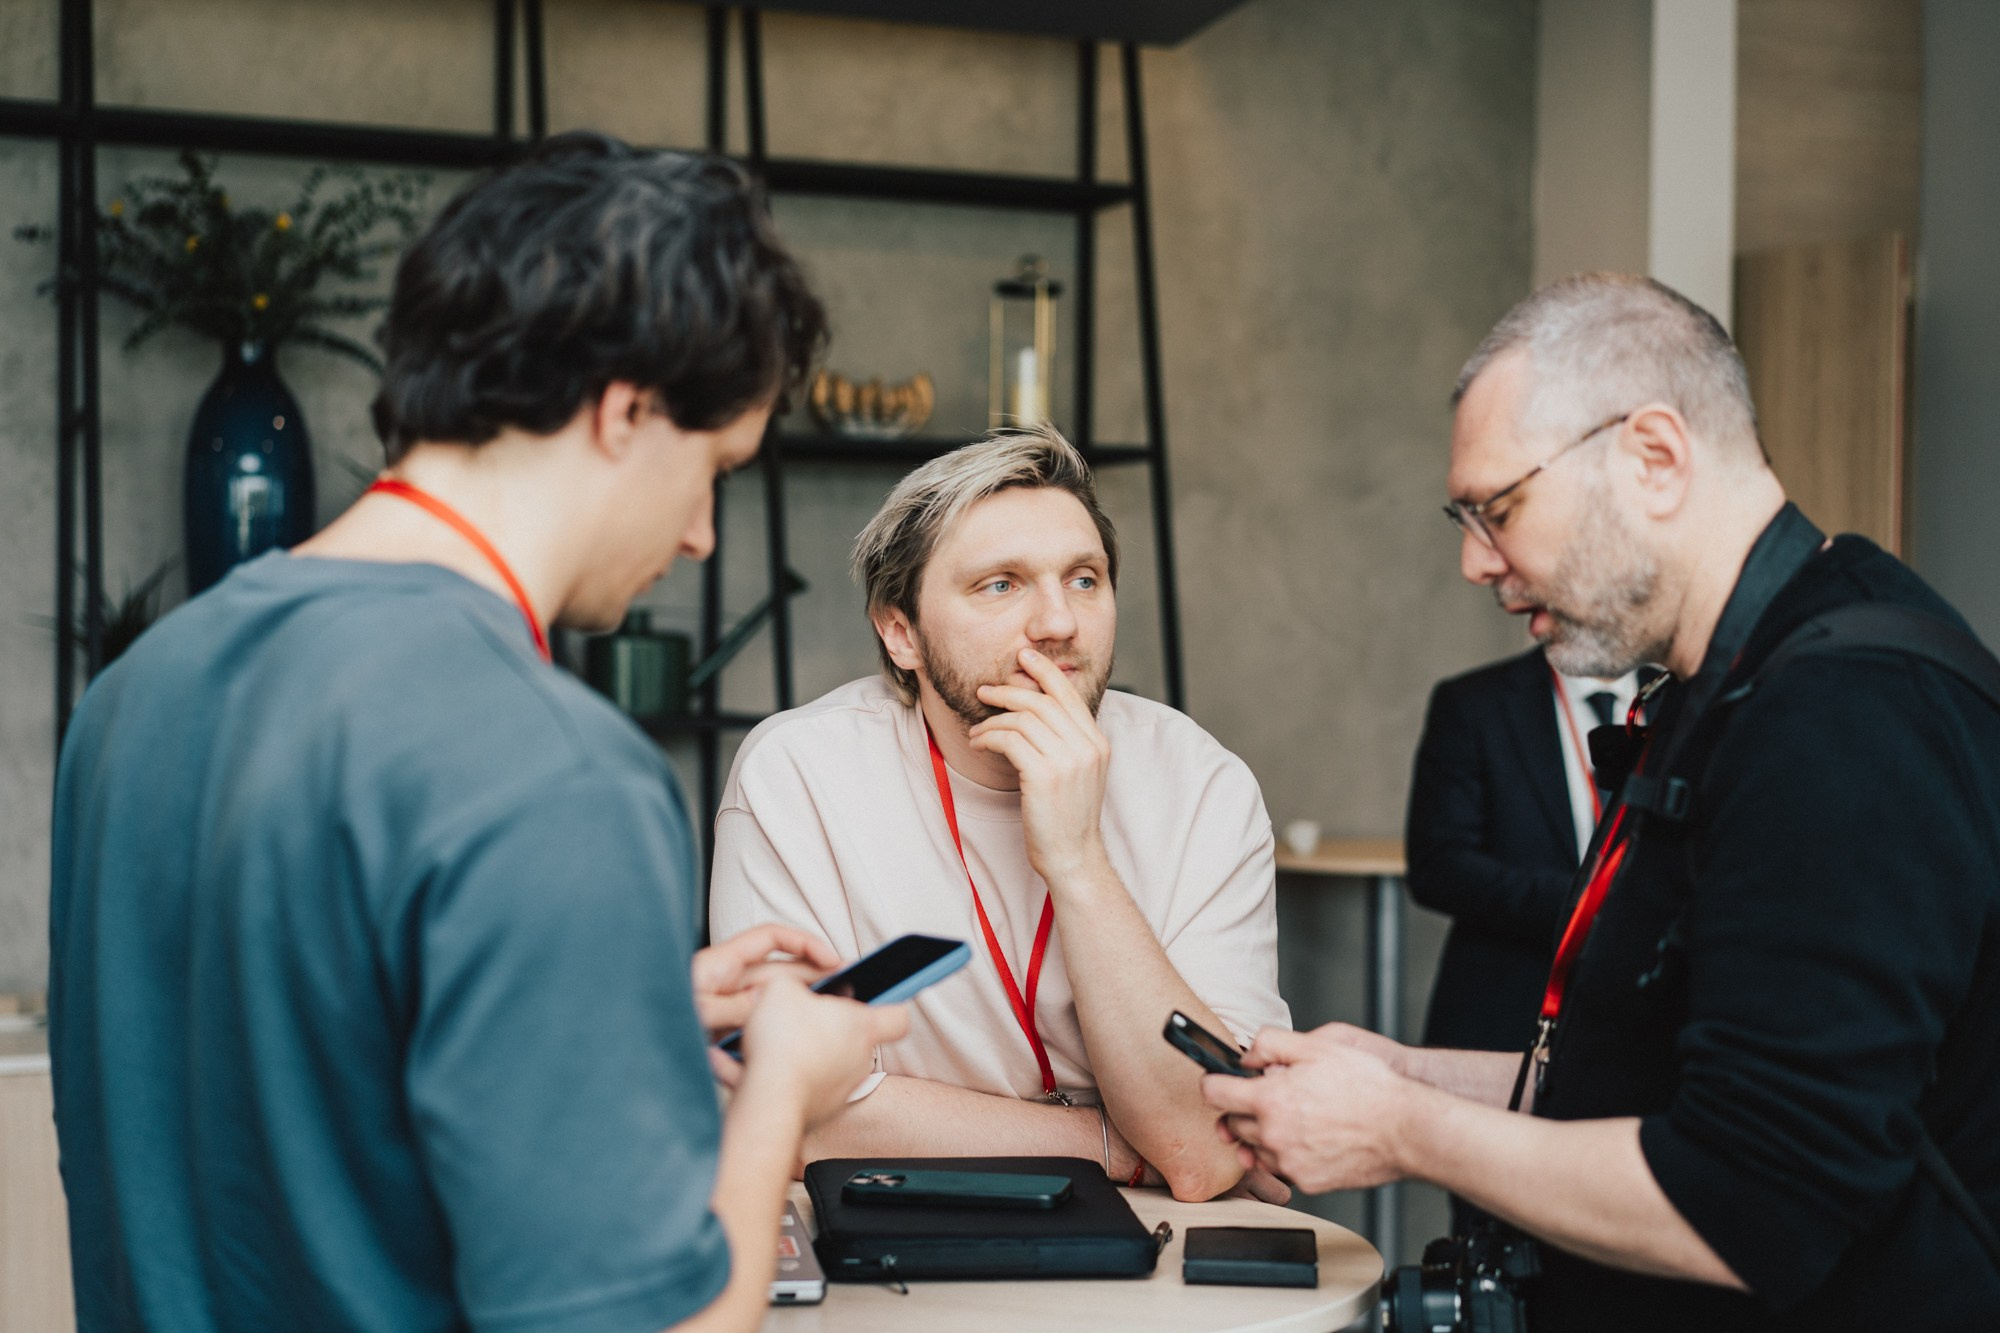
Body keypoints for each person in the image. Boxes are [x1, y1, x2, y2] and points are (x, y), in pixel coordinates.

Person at [49, 133, 905, 1333]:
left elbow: (272, 1079)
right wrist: (784, 1088)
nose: (702, 532)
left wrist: (620, 1007)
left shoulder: (135, 692)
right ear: (627, 411)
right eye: (714, 466)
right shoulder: (551, 770)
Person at [1203, 273, 2000, 1328]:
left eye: (1498, 509)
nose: (1473, 561)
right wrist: (1404, 1073)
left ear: (1653, 458)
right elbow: (1648, 1089)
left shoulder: (1842, 711)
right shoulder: (1730, 682)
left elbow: (1747, 1200)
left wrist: (1399, 1129)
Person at [708, 425, 1290, 1202]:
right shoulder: (798, 774)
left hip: (1165, 1259)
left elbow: (1209, 1147)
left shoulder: (1203, 784)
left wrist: (1079, 862)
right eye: (1001, 584)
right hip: (902, 1236)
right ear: (900, 631)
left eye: (1085, 578)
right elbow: (793, 1111)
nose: (1058, 622)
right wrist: (1112, 1141)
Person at [1407, 649, 1655, 1233]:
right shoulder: (1473, 701)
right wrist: (1592, 908)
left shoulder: (1686, 701)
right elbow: (1438, 865)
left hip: (1638, 1021)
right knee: (1492, 1234)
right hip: (1503, 1010)